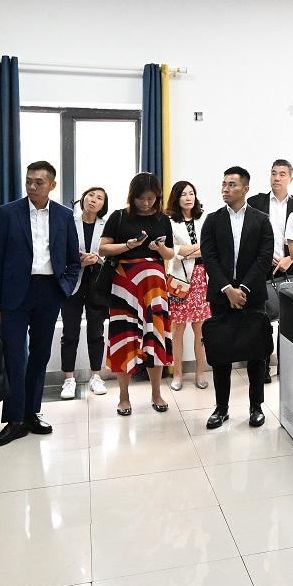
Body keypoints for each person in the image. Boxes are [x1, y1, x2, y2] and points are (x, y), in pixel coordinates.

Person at [0, 161, 84, 447]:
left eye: (39, 182)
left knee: (40, 355)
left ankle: (31, 412)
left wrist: (63, 289)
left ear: (52, 184)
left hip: (49, 292)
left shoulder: (65, 216)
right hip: (15, 294)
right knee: (16, 356)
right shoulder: (8, 213)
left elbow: (74, 261)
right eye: (28, 181)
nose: (32, 186)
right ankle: (14, 420)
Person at [201, 166, 276, 429]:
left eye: (232, 185)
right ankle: (221, 408)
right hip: (221, 297)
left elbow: (264, 258)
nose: (225, 189)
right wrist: (227, 289)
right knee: (221, 353)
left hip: (251, 296)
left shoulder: (261, 220)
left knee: (256, 353)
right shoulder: (212, 220)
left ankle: (256, 407)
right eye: (223, 184)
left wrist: (243, 289)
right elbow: (209, 258)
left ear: (245, 189)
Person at [102, 172, 175, 418]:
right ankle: (123, 396)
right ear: (132, 197)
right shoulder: (119, 216)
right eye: (141, 199)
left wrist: (160, 247)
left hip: (155, 289)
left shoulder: (162, 219)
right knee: (124, 337)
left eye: (151, 199)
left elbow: (169, 255)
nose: (146, 203)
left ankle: (156, 392)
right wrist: (129, 246)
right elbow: (103, 248)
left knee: (155, 339)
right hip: (124, 288)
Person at [246, 159, 293, 375]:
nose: (277, 178)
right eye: (273, 173)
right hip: (261, 268)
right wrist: (265, 253)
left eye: (282, 174)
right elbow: (247, 236)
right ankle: (261, 368)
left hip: (291, 268)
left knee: (287, 320)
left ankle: (284, 367)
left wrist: (290, 257)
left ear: (291, 178)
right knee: (261, 319)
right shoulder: (255, 202)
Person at [57, 185, 111, 399]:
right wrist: (79, 261)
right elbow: (60, 251)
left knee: (96, 333)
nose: (93, 200)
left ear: (103, 205)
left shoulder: (106, 226)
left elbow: (110, 255)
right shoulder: (70, 222)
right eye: (90, 195)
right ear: (83, 198)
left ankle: (96, 376)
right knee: (69, 332)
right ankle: (68, 379)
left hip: (97, 284)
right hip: (72, 283)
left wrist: (97, 259)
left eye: (99, 198)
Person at [164, 179, 210, 392]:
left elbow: (209, 248)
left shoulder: (205, 218)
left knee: (200, 329)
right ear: (176, 197)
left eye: (191, 193)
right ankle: (178, 373)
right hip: (179, 279)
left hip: (201, 277)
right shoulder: (169, 221)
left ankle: (201, 371)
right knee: (177, 329)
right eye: (183, 194)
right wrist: (189, 250)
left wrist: (185, 250)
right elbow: (172, 251)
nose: (188, 197)